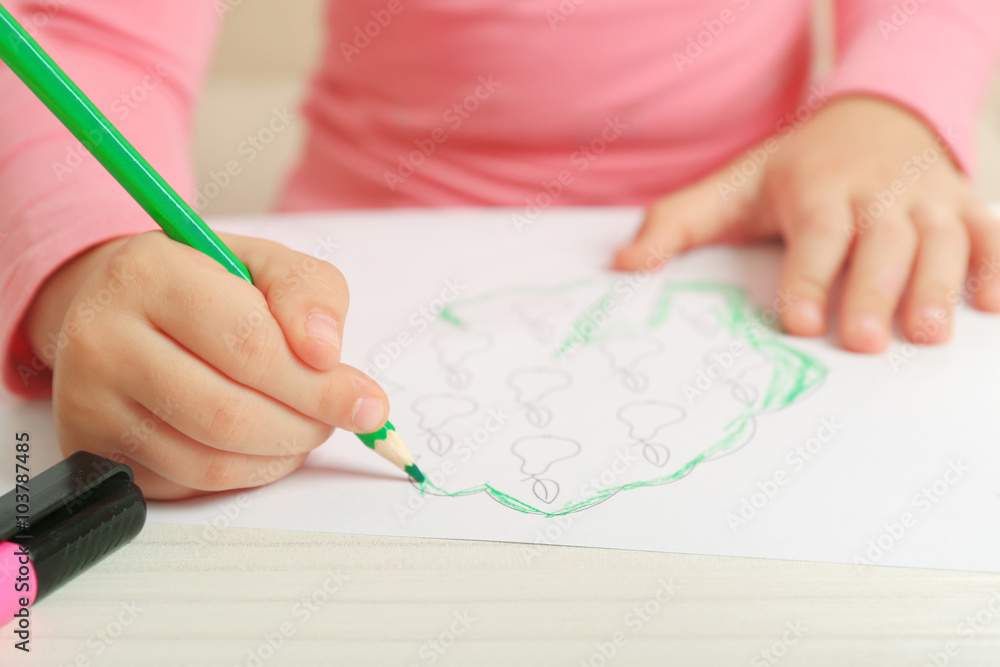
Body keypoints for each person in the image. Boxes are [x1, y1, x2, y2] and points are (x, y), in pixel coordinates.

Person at [1, 1, 998, 499]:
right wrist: (88, 259)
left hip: (785, 229)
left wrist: (891, 106)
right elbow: (78, 44)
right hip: (346, 281)